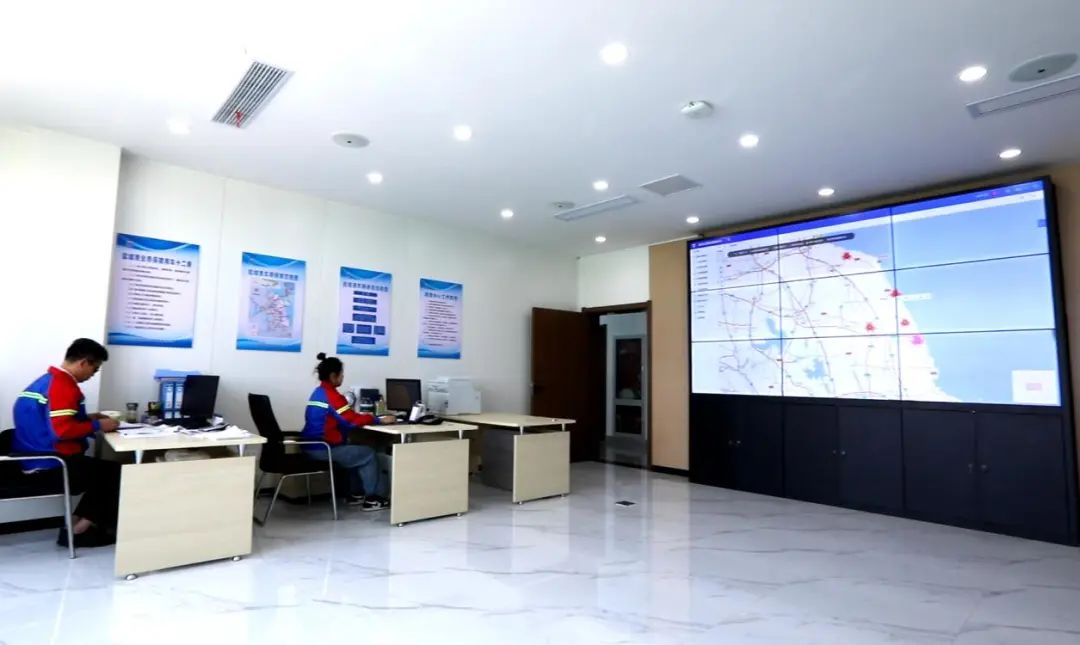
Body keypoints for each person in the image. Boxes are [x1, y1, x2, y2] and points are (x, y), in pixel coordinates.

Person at [12, 338, 122, 548]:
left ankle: (73, 526)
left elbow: (51, 422)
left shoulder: (45, 381)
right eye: (95, 369)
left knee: (102, 470)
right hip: (51, 465)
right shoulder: (64, 386)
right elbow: (61, 431)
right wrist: (98, 425)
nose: (93, 375)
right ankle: (79, 532)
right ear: (84, 363)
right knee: (114, 472)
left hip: (31, 459)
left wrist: (89, 418)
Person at [302, 353, 395, 511]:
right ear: (333, 376)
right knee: (368, 454)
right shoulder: (333, 396)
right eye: (341, 374)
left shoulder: (318, 392)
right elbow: (351, 420)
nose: (343, 377)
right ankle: (372, 499)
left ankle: (356, 494)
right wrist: (378, 420)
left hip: (311, 445)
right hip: (323, 449)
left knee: (355, 448)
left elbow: (340, 420)